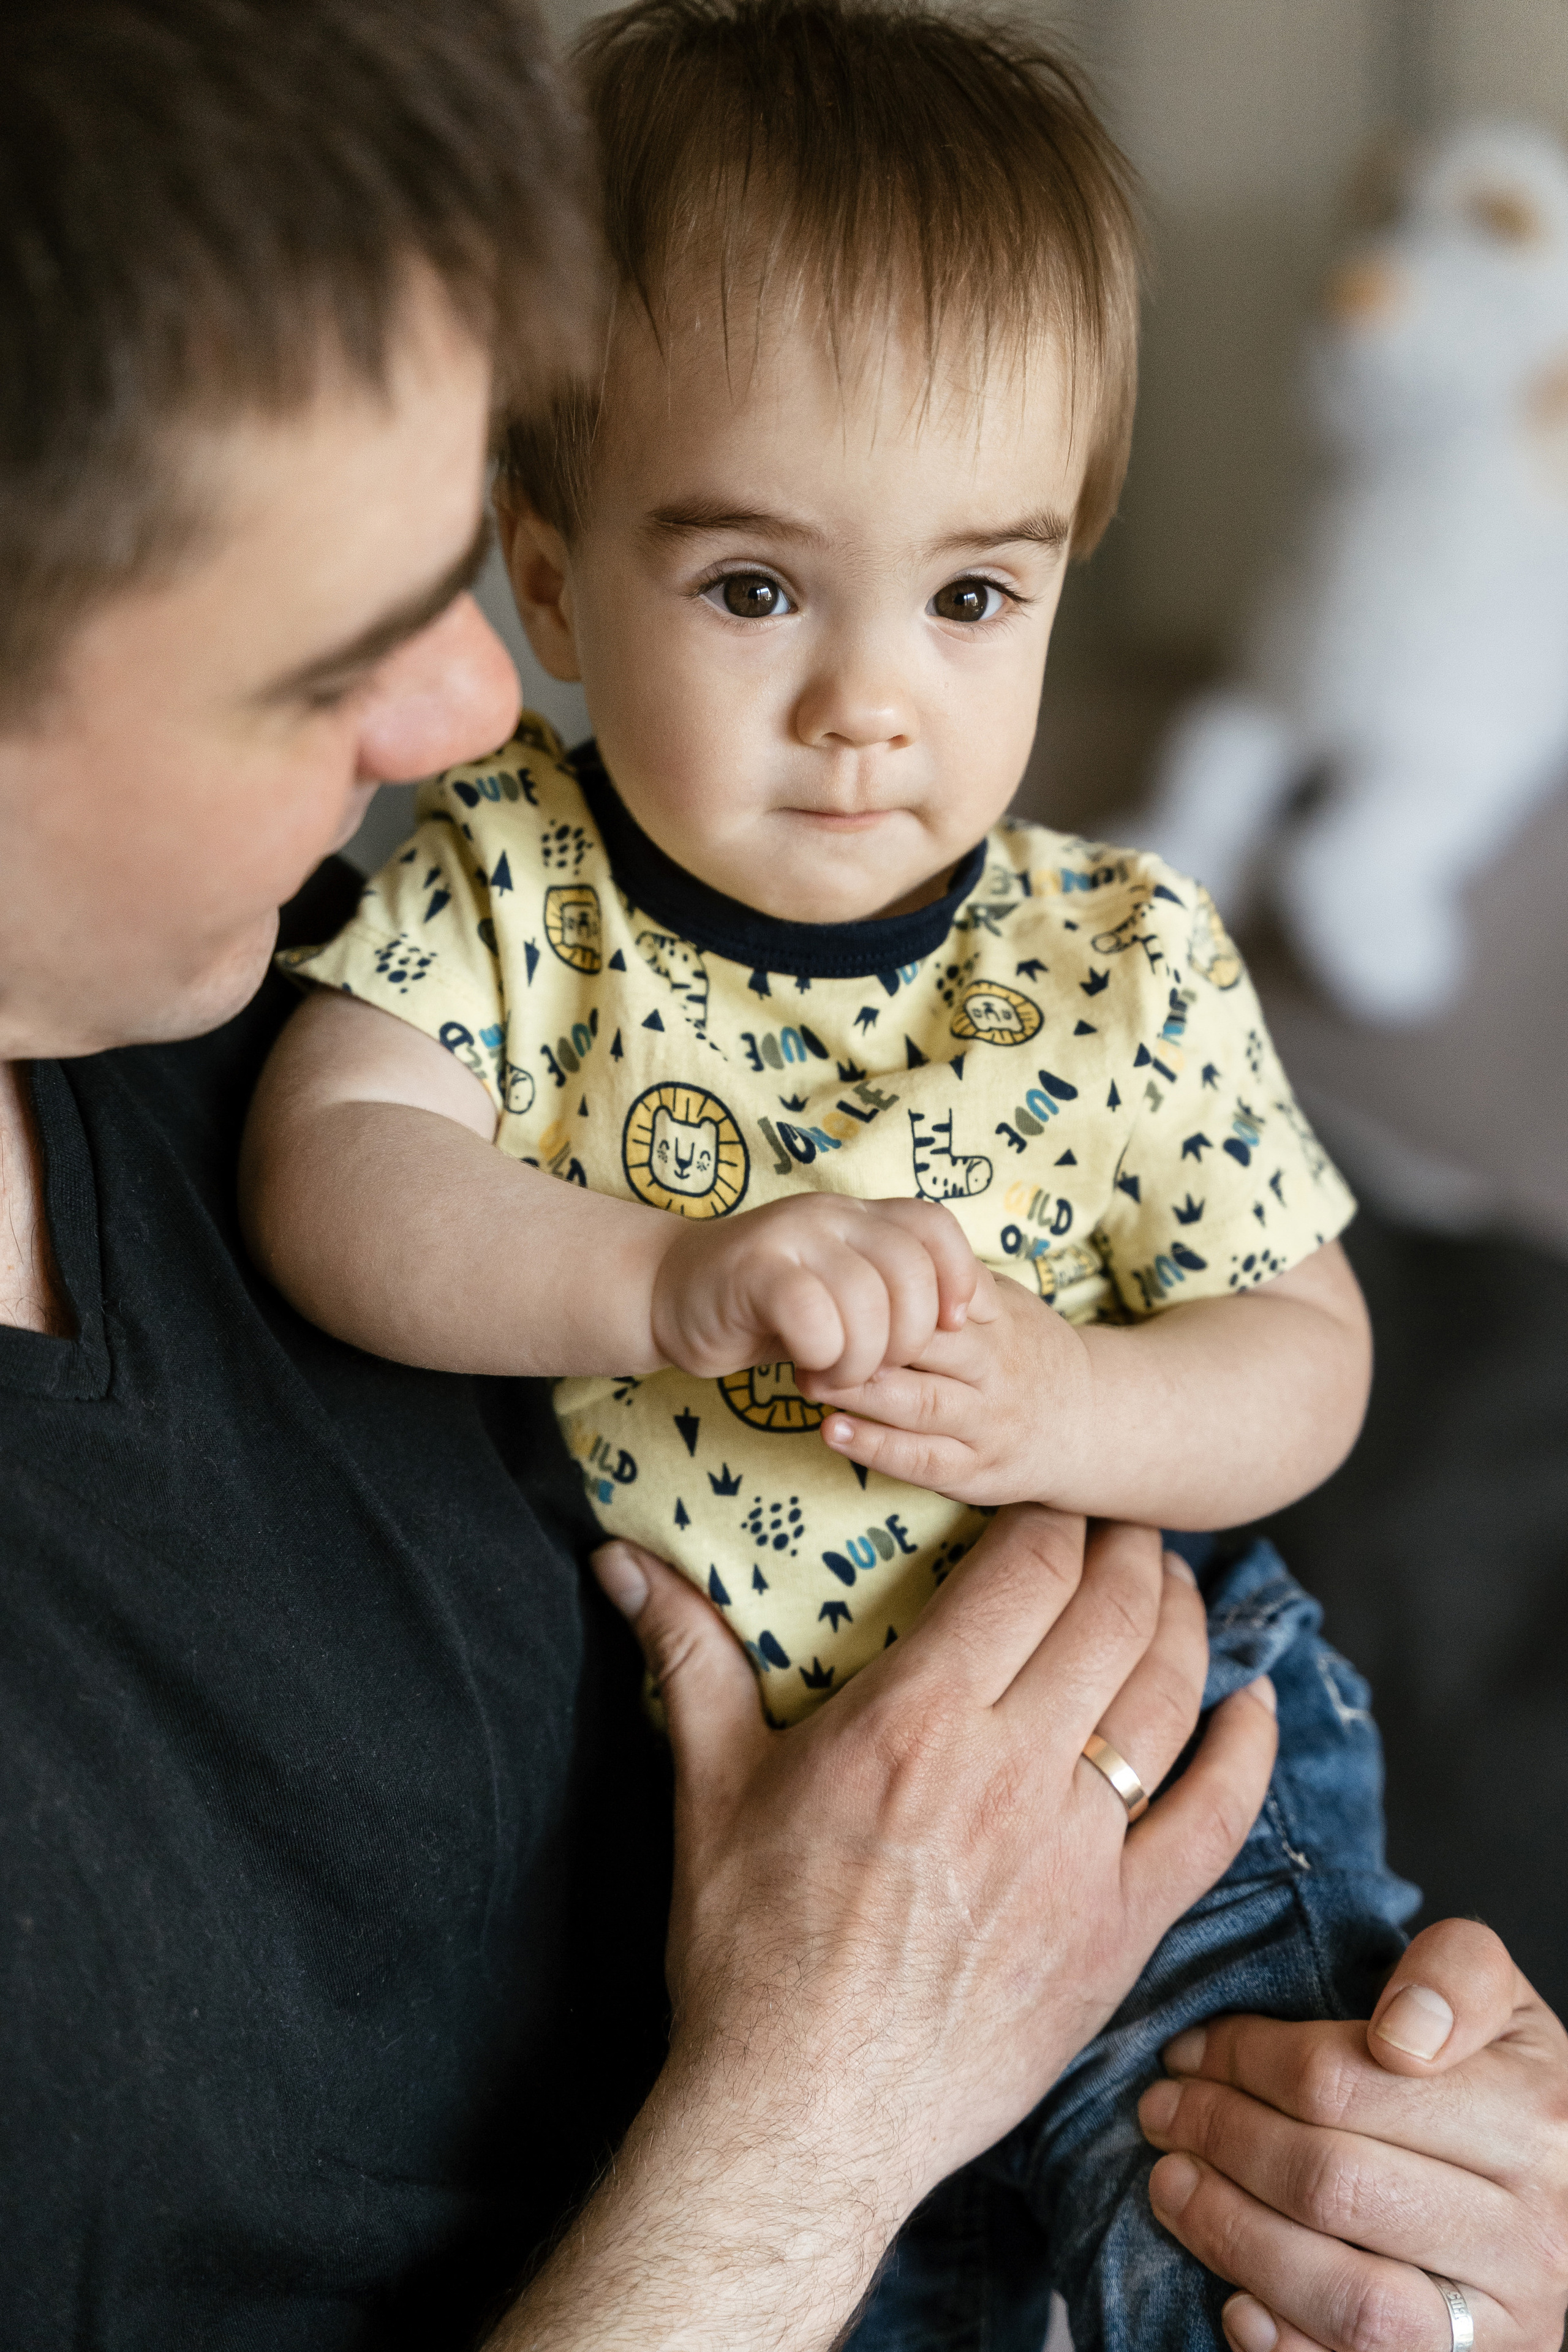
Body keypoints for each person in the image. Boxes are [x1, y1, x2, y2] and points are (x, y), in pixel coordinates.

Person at [1, 4, 1565, 2350]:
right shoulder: (513, 886)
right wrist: (667, 1273)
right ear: (561, 568)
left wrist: (1064, 1408)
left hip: (1138, 1710)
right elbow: (350, 1176)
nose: (871, 706)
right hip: (727, 1802)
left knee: (1264, 2203)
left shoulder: (1119, 945)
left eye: (977, 596)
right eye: (752, 588)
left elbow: (1301, 1354)